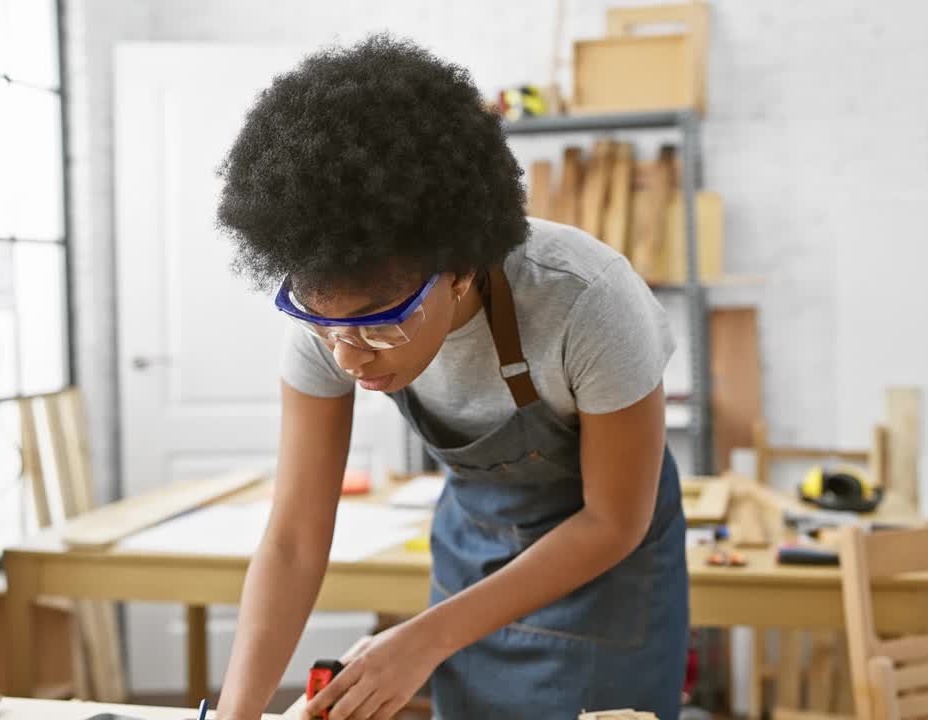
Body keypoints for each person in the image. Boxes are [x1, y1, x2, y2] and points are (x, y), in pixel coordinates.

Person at [213, 34, 688, 720]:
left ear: (461, 268)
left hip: (608, 572)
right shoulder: (330, 313)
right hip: (474, 557)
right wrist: (238, 714)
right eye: (325, 324)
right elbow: (293, 539)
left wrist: (424, 639)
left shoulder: (585, 300)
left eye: (381, 324)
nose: (348, 356)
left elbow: (614, 519)